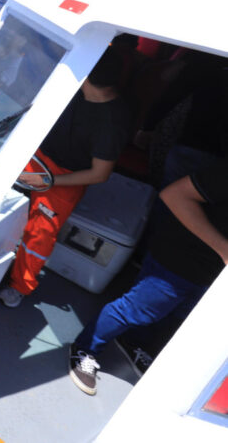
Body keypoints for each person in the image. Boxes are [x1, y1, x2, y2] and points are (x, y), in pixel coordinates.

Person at [68, 156, 228, 395]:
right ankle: (85, 349)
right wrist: (223, 248)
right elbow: (174, 195)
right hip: (181, 258)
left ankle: (133, 343)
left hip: (212, 273)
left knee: (173, 316)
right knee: (134, 310)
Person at [0, 48, 132, 308]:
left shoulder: (112, 122)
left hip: (67, 176)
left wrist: (49, 182)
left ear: (88, 76)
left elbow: (100, 174)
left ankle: (19, 287)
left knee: (41, 231)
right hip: (38, 153)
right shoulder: (74, 90)